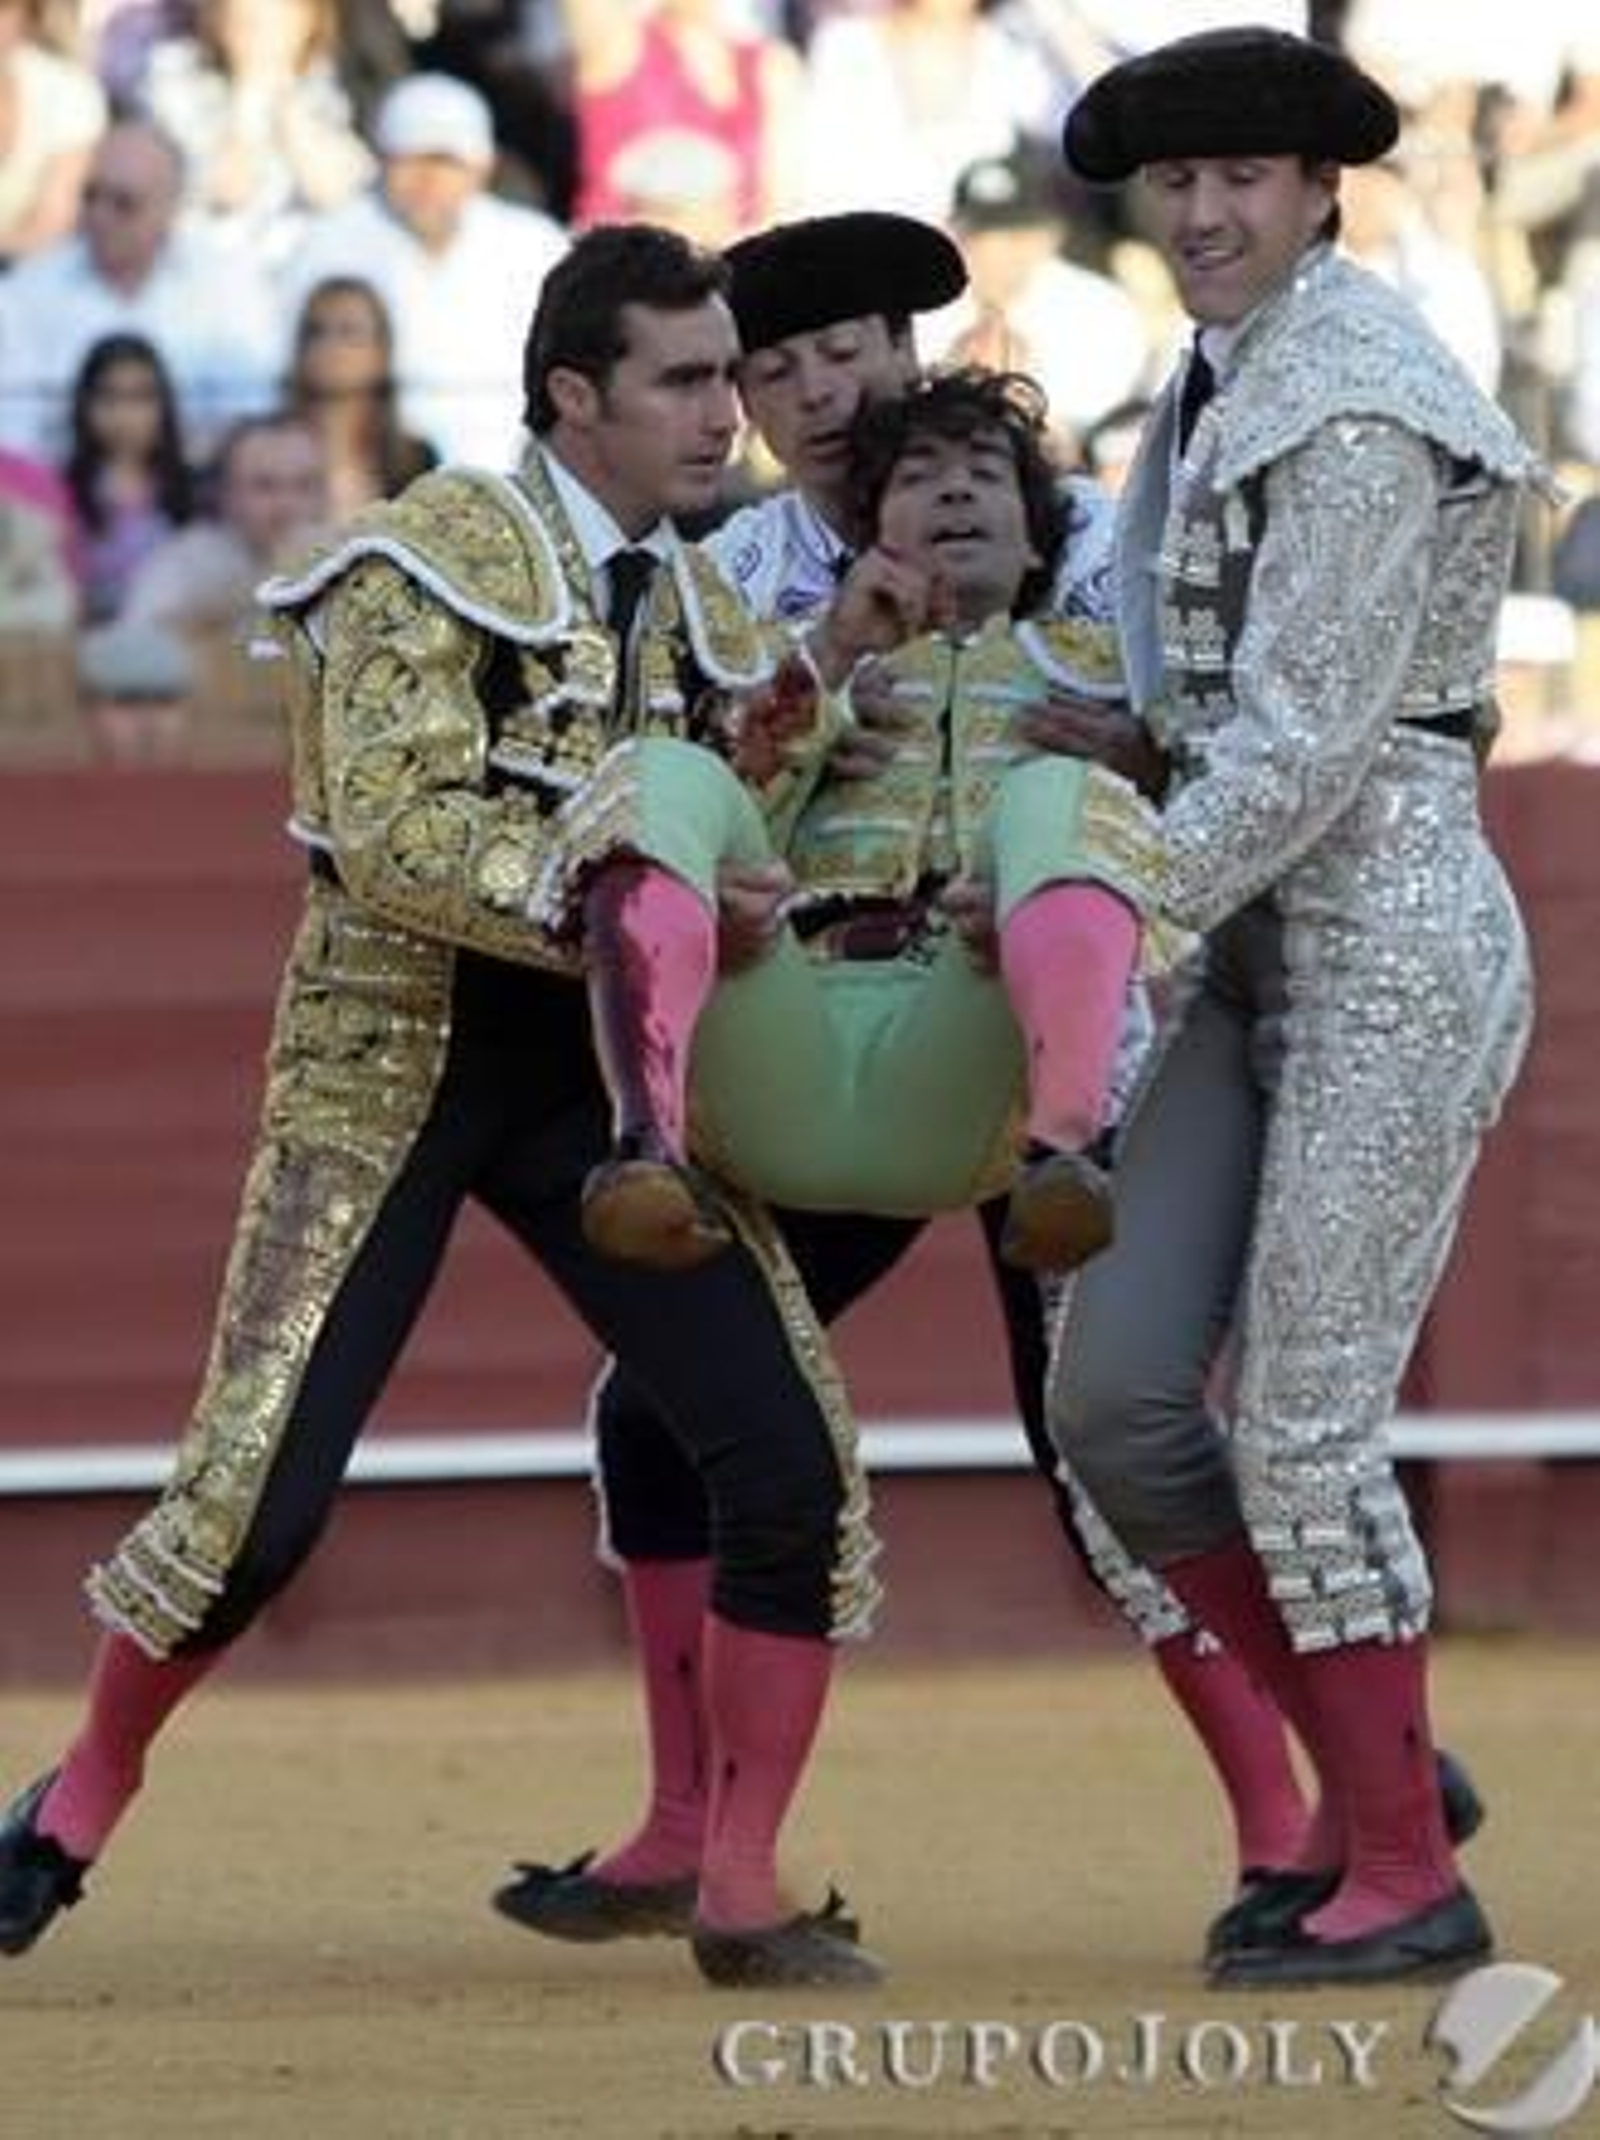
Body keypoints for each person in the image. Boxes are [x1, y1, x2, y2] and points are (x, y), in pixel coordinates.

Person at [0, 222, 882, 1992]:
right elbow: (394, 837)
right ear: (577, 394)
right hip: (398, 1046)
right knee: (263, 1505)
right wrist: (630, 877)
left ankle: (740, 1875)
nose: (730, 415)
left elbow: (745, 811)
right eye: (688, 381)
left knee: (788, 1454)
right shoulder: (416, 563)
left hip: (606, 1076)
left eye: (732, 377)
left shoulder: (716, 610)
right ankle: (71, 1804)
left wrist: (767, 860)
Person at [493, 214, 1345, 1960]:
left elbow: (1242, 748)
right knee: (658, 1408)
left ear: (912, 358)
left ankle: (1305, 1817)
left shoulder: (1097, 542)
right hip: (845, 1034)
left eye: (848, 352)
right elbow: (656, 793)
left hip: (1070, 1045)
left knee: (1109, 1443)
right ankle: (680, 1828)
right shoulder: (733, 584)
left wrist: (1140, 748)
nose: (815, 393)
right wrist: (805, 706)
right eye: (771, 369)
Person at [1047, 26, 1541, 1986]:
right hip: (1262, 948)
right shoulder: (1225, 372)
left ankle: (1403, 1861)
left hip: (1390, 944)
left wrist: (1101, 925)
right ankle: (1374, 1763)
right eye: (1172, 185)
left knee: (1305, 1426)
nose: (1198, 213)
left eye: (1237, 177)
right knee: (1112, 1396)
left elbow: (1309, 742)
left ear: (1317, 186)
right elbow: (1217, 716)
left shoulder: (1343, 396)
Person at [566, 366, 1161, 1278]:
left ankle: (1068, 1152)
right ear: (870, 534)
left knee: (1060, 798)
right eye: (920, 474)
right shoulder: (799, 662)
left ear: (1039, 546)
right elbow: (713, 807)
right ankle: (645, 1146)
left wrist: (1143, 756)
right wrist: (831, 660)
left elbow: (1233, 800)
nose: (956, 487)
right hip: (781, 1030)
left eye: (986, 473)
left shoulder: (1116, 676)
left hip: (971, 1045)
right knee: (662, 768)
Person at [281, 71, 568, 467]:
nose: (428, 179)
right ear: (382, 161)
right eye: (410, 159)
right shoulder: (329, 240)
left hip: (517, 470)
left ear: (483, 167)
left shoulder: (535, 243)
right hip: (375, 470)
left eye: (446, 161)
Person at [0, 117, 285, 462]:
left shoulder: (229, 285)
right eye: (91, 196)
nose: (99, 215)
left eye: (123, 202)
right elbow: (13, 438)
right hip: (65, 497)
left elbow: (255, 413)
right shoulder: (26, 292)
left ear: (170, 208)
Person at [122, 409, 328, 639]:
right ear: (225, 493)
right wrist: (267, 583)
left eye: (304, 486)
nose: (287, 505)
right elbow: (133, 646)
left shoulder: (348, 559)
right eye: (265, 486)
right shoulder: (185, 560)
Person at [62, 331, 196, 624]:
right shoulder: (61, 490)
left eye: (141, 397)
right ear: (83, 404)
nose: (124, 414)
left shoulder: (193, 490)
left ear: (164, 405)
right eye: (108, 396)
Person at [284, 276, 436, 521]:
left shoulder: (415, 462)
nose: (329, 345)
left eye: (349, 331)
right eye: (315, 331)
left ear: (382, 352)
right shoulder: (259, 454)